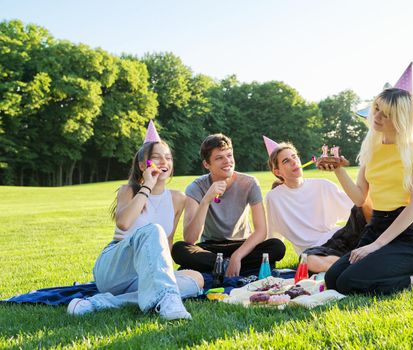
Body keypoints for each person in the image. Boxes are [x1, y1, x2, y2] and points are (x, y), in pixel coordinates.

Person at [67, 121, 203, 320]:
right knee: (153, 229)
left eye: (168, 158)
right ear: (142, 165)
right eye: (157, 158)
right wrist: (147, 186)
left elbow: (168, 242)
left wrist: (163, 276)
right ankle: (168, 300)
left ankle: (99, 303)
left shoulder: (177, 198)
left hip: (144, 272)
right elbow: (123, 223)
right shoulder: (129, 191)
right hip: (115, 268)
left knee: (196, 279)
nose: (164, 162)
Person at [323, 87, 413, 295]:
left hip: (404, 234)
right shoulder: (372, 143)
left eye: (386, 114)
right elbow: (360, 198)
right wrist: (338, 169)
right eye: (376, 108)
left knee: (348, 282)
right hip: (375, 227)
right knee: (333, 279)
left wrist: (376, 246)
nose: (376, 116)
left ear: (401, 119)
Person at [171, 134, 286, 277]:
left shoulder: (249, 183)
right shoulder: (196, 187)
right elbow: (190, 239)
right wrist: (206, 199)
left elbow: (261, 231)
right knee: (179, 249)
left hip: (242, 246)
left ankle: (221, 267)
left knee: (276, 246)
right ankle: (227, 265)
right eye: (219, 158)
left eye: (229, 155)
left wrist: (237, 256)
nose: (227, 161)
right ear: (207, 164)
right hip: (211, 248)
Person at [265, 141, 372, 273]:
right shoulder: (274, 197)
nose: (293, 162)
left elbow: (357, 206)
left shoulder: (322, 185)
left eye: (294, 156)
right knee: (308, 261)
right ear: (278, 172)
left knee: (364, 209)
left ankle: (355, 262)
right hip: (316, 252)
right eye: (286, 161)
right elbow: (273, 235)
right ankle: (357, 266)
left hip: (340, 237)